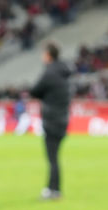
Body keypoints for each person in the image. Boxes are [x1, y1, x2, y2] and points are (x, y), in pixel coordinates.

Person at [28, 42, 71, 200]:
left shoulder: (49, 73)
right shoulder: (64, 73)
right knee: (55, 157)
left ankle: (53, 190)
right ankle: (54, 189)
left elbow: (35, 91)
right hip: (63, 119)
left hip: (52, 119)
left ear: (48, 55)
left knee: (52, 158)